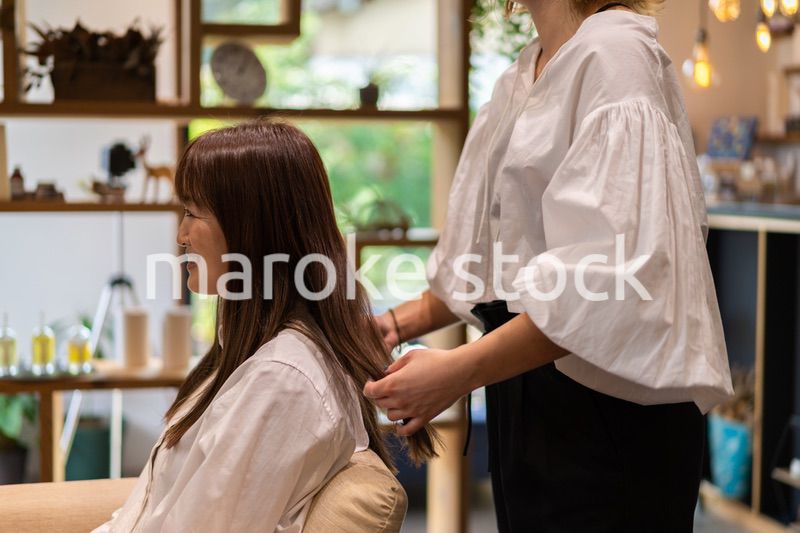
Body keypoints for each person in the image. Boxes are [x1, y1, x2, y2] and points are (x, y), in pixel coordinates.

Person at [364, 1, 734, 532]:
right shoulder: (522, 76)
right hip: (529, 400)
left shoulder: (614, 55)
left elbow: (608, 281)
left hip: (606, 415)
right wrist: (389, 327)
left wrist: (458, 372)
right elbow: (487, 268)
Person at [93, 121, 437, 532]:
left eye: (192, 213)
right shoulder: (251, 355)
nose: (181, 235)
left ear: (251, 229)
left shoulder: (281, 380)